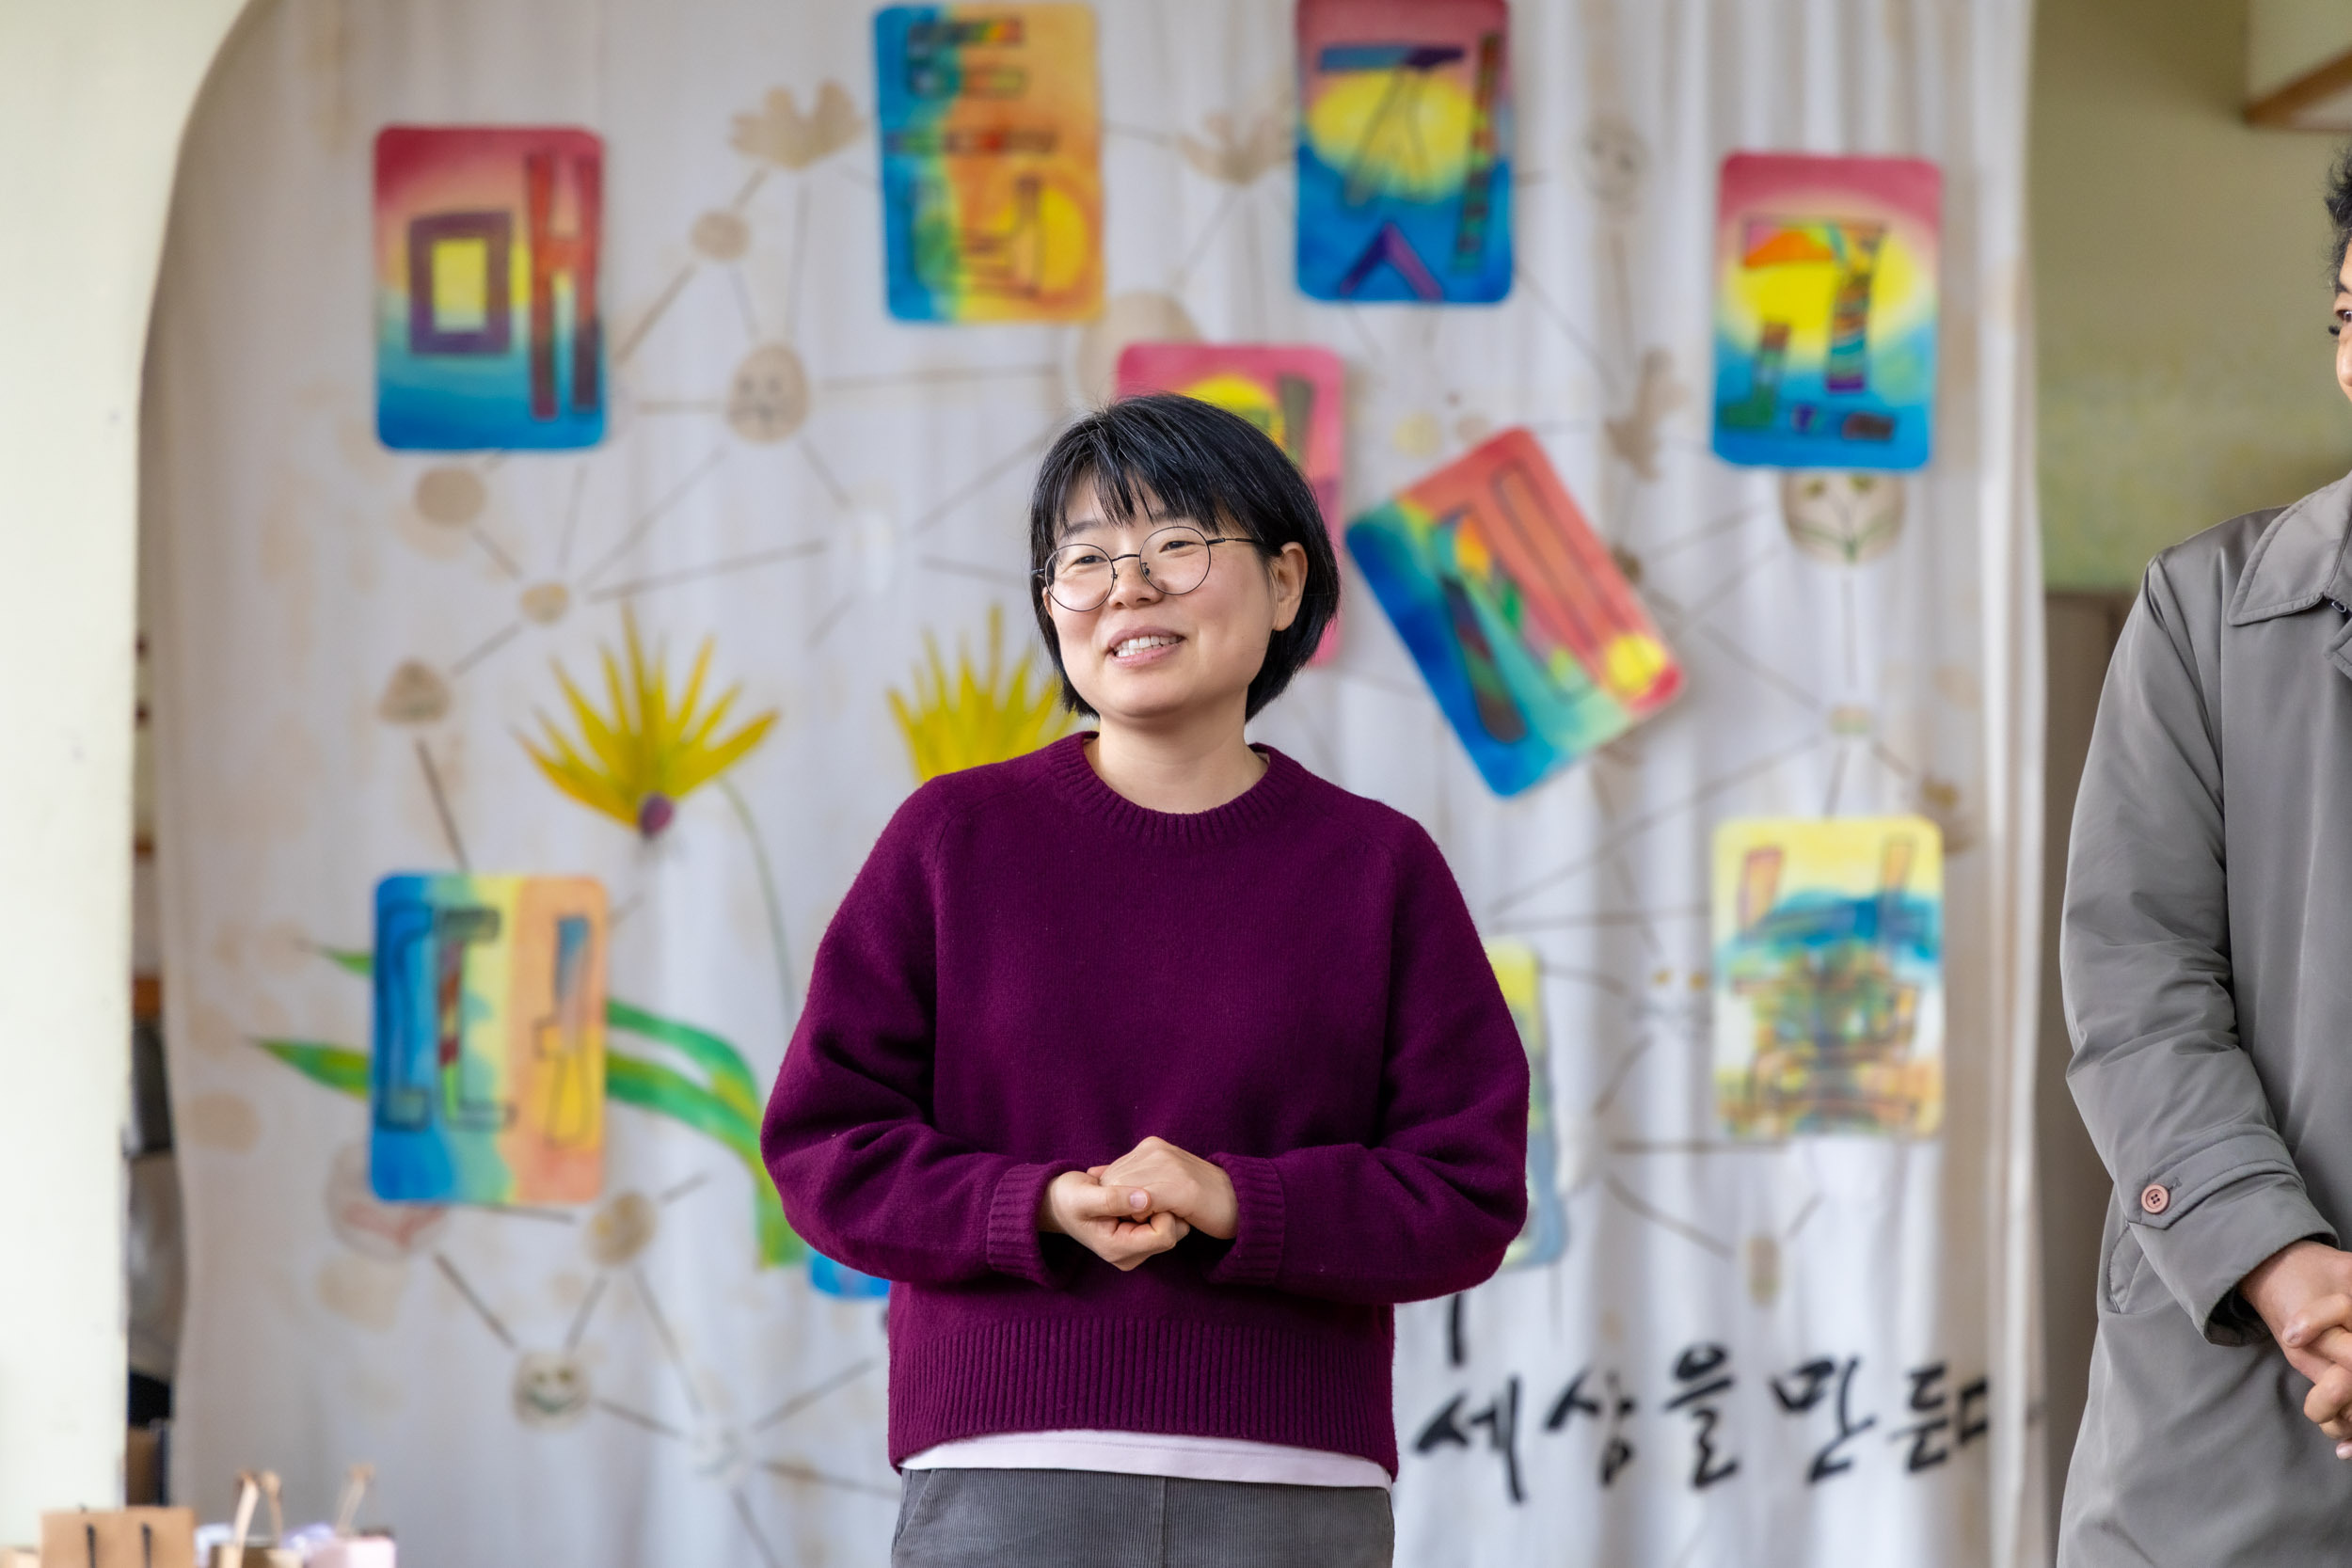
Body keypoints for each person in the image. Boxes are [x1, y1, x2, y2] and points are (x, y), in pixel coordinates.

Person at [761, 393, 1532, 1568]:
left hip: (1292, 1487)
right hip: (1005, 1475)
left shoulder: (1378, 866)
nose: (1127, 586)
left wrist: (1238, 1200)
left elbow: (1464, 1190)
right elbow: (827, 1148)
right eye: (1084, 559)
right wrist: (1031, 1205)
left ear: (1285, 582)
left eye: (1176, 542)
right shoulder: (951, 838)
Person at [2058, 152, 2352, 1561]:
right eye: (2350, 317)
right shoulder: (2206, 611)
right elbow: (2136, 977)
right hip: (2234, 1390)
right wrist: (2287, 1269)